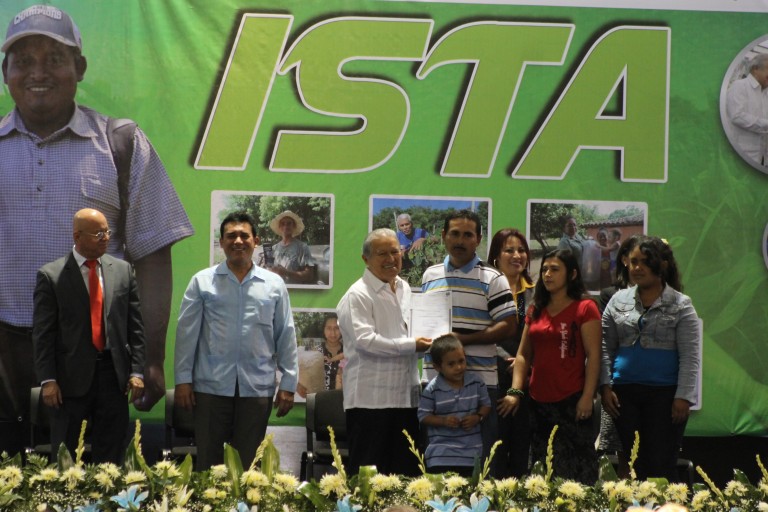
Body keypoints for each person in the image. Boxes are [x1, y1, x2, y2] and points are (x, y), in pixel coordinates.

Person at [0, 4, 193, 452]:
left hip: (96, 353)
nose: (38, 72)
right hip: (6, 351)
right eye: (23, 60)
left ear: (80, 68)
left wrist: (151, 358)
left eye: (54, 58)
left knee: (92, 475)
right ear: (5, 72)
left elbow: (152, 255)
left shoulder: (120, 143)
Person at [174, 211, 298, 471]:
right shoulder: (202, 282)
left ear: (256, 241)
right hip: (210, 388)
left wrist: (288, 383)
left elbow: (285, 334)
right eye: (231, 236)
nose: (238, 241)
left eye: (244, 235)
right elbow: (186, 335)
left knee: (247, 469)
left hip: (256, 389)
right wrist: (183, 380)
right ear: (222, 242)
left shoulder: (274, 285)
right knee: (209, 467)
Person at [32, 208, 145, 463]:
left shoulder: (123, 271)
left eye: (107, 231)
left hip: (113, 375)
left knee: (111, 454)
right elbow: (43, 334)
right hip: (69, 379)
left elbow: (136, 327)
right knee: (67, 455)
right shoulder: (51, 275)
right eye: (98, 234)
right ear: (77, 236)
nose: (106, 238)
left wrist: (137, 372)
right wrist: (48, 379)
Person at [421, 210, 517, 475]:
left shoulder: (493, 278)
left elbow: (509, 325)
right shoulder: (430, 275)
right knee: (437, 467)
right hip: (435, 385)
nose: (460, 241)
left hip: (479, 387)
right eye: (454, 234)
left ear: (478, 239)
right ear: (443, 236)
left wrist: (464, 340)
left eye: (467, 235)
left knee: (482, 469)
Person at [601, 236, 701, 481]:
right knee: (631, 465)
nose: (637, 267)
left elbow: (690, 356)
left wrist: (683, 397)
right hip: (623, 396)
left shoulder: (682, 305)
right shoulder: (617, 300)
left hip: (665, 396)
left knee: (660, 464)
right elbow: (604, 346)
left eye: (645, 262)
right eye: (634, 261)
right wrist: (605, 386)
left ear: (662, 265)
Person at [497, 249, 601, 485]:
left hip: (573, 401)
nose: (547, 275)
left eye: (554, 269)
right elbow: (523, 355)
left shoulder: (585, 307)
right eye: (544, 269)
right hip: (538, 402)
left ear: (572, 274)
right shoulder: (536, 308)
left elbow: (594, 356)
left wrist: (587, 397)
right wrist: (515, 391)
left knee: (576, 474)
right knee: (542, 469)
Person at [336, 228, 432, 476]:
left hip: (406, 399)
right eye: (382, 254)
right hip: (370, 402)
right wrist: (413, 345)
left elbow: (410, 333)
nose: (391, 258)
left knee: (405, 478)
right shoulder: (357, 295)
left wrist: (431, 343)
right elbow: (365, 342)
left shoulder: (405, 288)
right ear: (365, 259)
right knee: (368, 480)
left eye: (395, 251)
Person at [487, 228, 534, 477]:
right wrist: (504, 358)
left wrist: (526, 360)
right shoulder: (485, 289)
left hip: (530, 378)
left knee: (523, 445)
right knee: (495, 444)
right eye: (509, 250)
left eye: (521, 250)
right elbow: (481, 330)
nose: (517, 255)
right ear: (496, 256)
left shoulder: (536, 292)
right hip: (494, 374)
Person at [418, 334, 491, 477]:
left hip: (471, 455)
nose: (458, 367)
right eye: (451, 364)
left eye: (461, 361)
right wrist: (443, 421)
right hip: (440, 456)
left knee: (469, 490)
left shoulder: (476, 383)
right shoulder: (432, 389)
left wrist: (478, 417)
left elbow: (486, 405)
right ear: (437, 367)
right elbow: (423, 416)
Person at [725, 53, 768, 166]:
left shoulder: (765, 92)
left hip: (762, 157)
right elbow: (737, 116)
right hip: (741, 155)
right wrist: (766, 124)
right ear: (755, 69)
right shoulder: (739, 86)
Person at [268, 210, 317, 284]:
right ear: (279, 227)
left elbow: (309, 275)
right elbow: (269, 271)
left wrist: (286, 273)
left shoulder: (302, 247)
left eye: (289, 223)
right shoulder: (274, 248)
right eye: (283, 224)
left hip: (295, 290)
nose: (285, 226)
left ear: (294, 226)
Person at [317, 314, 344, 391]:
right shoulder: (316, 353)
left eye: (337, 328)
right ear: (323, 330)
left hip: (345, 397)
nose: (333, 333)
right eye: (329, 328)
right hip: (321, 396)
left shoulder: (348, 351)